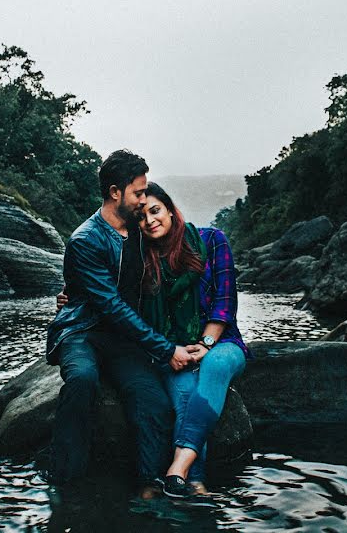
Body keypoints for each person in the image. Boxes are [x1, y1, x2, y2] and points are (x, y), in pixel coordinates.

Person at [44, 150, 195, 495]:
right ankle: (64, 481)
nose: (144, 199)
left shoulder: (140, 232)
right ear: (115, 192)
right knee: (82, 379)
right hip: (83, 331)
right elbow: (110, 306)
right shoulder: (85, 240)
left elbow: (175, 241)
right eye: (138, 192)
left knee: (152, 398)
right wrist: (164, 348)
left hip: (122, 339)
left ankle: (150, 483)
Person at [138, 182, 248, 498]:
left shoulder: (211, 240)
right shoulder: (147, 261)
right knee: (184, 393)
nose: (150, 221)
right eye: (142, 218)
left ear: (170, 209)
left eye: (155, 211)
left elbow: (225, 300)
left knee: (214, 366)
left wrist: (207, 343)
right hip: (175, 348)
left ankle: (179, 467)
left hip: (223, 342)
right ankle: (193, 482)